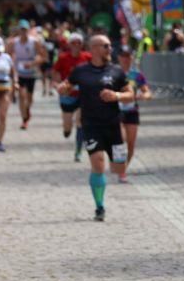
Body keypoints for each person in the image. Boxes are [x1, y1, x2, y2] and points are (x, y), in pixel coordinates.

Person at [58, 35, 133, 221]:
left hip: (113, 125)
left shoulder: (116, 71)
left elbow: (130, 95)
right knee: (98, 163)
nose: (110, 49)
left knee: (119, 167)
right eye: (106, 46)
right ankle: (99, 207)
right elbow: (67, 84)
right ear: (94, 48)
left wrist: (116, 96)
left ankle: (111, 174)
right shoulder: (81, 71)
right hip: (91, 125)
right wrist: (63, 88)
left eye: (110, 46)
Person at [52, 32, 92, 161]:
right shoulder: (63, 58)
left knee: (80, 122)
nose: (76, 45)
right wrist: (58, 85)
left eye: (79, 43)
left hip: (83, 95)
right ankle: (67, 130)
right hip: (68, 95)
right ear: (69, 45)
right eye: (73, 43)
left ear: (82, 44)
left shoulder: (87, 57)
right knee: (67, 127)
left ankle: (78, 151)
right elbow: (55, 73)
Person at [116, 46, 152, 177]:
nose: (125, 59)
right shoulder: (113, 73)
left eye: (128, 56)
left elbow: (146, 91)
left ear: (132, 57)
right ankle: (119, 166)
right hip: (116, 111)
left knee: (131, 144)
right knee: (121, 139)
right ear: (118, 58)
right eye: (123, 56)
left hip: (132, 111)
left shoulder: (136, 75)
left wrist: (145, 95)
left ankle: (123, 170)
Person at [9, 19, 46, 130]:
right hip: (19, 73)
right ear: (18, 31)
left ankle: (27, 110)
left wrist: (32, 63)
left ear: (28, 30)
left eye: (25, 30)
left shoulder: (34, 42)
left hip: (31, 73)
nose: (23, 32)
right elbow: (8, 55)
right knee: (21, 95)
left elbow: (42, 56)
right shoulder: (13, 42)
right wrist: (12, 66)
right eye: (21, 30)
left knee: (29, 98)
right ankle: (24, 120)